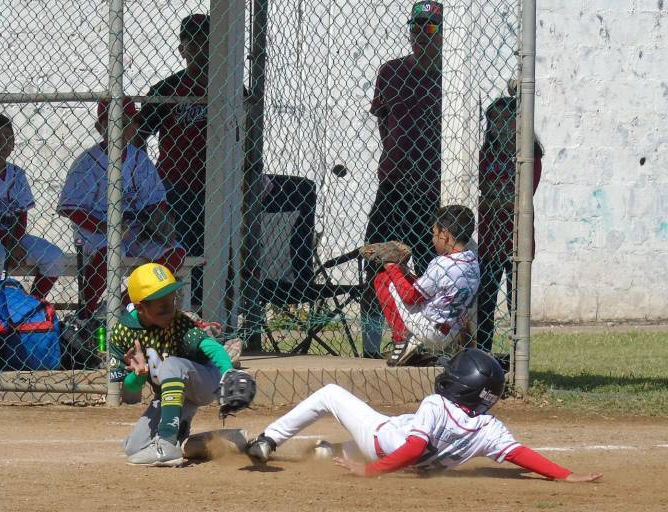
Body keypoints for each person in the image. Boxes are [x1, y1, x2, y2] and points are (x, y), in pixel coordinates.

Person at [247, 348, 603, 483]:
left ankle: (268, 439)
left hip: (384, 446)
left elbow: (415, 447)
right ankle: (330, 452)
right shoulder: (488, 428)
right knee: (397, 424)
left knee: (330, 394)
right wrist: (565, 475)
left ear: (460, 383)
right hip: (404, 457)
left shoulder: (436, 402)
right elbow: (519, 454)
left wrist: (370, 471)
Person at [362, 1, 444, 358]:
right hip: (394, 180)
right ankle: (370, 345)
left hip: (430, 185)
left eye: (429, 28)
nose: (419, 35)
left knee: (427, 266)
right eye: (415, 27)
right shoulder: (392, 72)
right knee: (375, 257)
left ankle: (424, 341)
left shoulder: (449, 75)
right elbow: (385, 126)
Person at [58, 97, 185, 320]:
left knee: (175, 253)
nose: (124, 128)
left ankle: (120, 308)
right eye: (115, 122)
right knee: (110, 252)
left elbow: (157, 201)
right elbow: (71, 209)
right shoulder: (87, 162)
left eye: (128, 121)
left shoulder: (140, 159)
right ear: (100, 127)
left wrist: (157, 221)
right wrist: (108, 227)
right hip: (95, 227)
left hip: (135, 227)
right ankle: (86, 313)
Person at [111, 263, 235, 467]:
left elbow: (213, 348)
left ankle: (167, 441)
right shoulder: (122, 333)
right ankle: (210, 440)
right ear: (141, 306)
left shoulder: (180, 322)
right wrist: (139, 374)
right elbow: (130, 396)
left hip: (204, 382)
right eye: (162, 306)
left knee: (171, 365)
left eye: (172, 300)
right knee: (134, 449)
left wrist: (228, 372)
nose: (171, 309)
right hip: (172, 396)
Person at [139, 14, 211, 306]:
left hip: (215, 187)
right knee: (182, 247)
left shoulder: (231, 88)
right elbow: (137, 135)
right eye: (193, 42)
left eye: (207, 41)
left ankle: (207, 309)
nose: (201, 49)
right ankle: (175, 308)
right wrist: (145, 180)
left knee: (211, 252)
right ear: (182, 49)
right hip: (175, 185)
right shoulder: (166, 89)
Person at [368, 205, 479, 367]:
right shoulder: (473, 262)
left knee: (383, 279)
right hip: (451, 331)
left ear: (445, 236)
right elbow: (428, 288)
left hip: (429, 329)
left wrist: (391, 265)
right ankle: (414, 345)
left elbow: (410, 296)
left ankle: (401, 342)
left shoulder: (441, 263)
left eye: (435, 234)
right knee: (405, 279)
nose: (433, 239)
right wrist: (404, 271)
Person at [0, 113, 64, 300]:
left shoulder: (17, 174)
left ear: (13, 144)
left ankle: (32, 305)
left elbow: (21, 215)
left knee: (55, 256)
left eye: (7, 138)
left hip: (12, 235)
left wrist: (15, 241)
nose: (1, 143)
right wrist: (9, 243)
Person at [476, 96, 543, 352]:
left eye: (505, 121)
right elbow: (485, 188)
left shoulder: (529, 155)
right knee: (486, 299)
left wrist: (498, 197)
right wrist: (501, 196)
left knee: (516, 300)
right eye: (493, 122)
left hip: (516, 236)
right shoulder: (488, 153)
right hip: (490, 236)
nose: (498, 128)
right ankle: (483, 350)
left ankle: (517, 356)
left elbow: (524, 195)